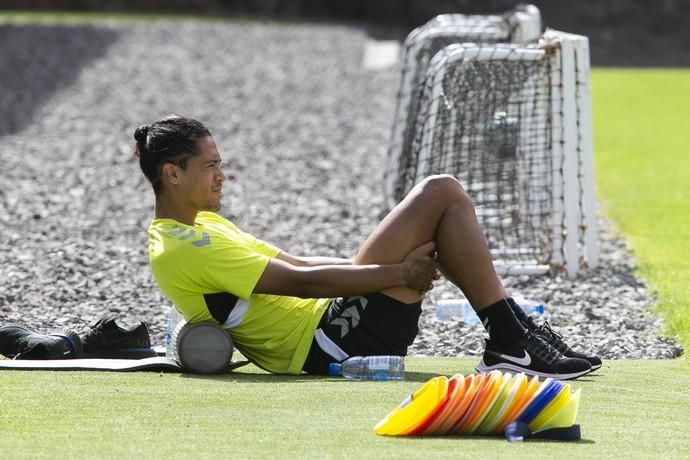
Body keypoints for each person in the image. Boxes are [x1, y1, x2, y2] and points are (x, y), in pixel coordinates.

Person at [136, 115, 601, 380]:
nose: (222, 175)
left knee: (447, 196)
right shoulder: (182, 247)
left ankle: (513, 334)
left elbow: (298, 262)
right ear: (172, 174)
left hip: (332, 324)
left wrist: (392, 269)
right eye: (210, 165)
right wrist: (399, 274)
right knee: (440, 192)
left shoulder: (205, 223)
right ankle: (511, 339)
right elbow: (302, 284)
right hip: (327, 347)